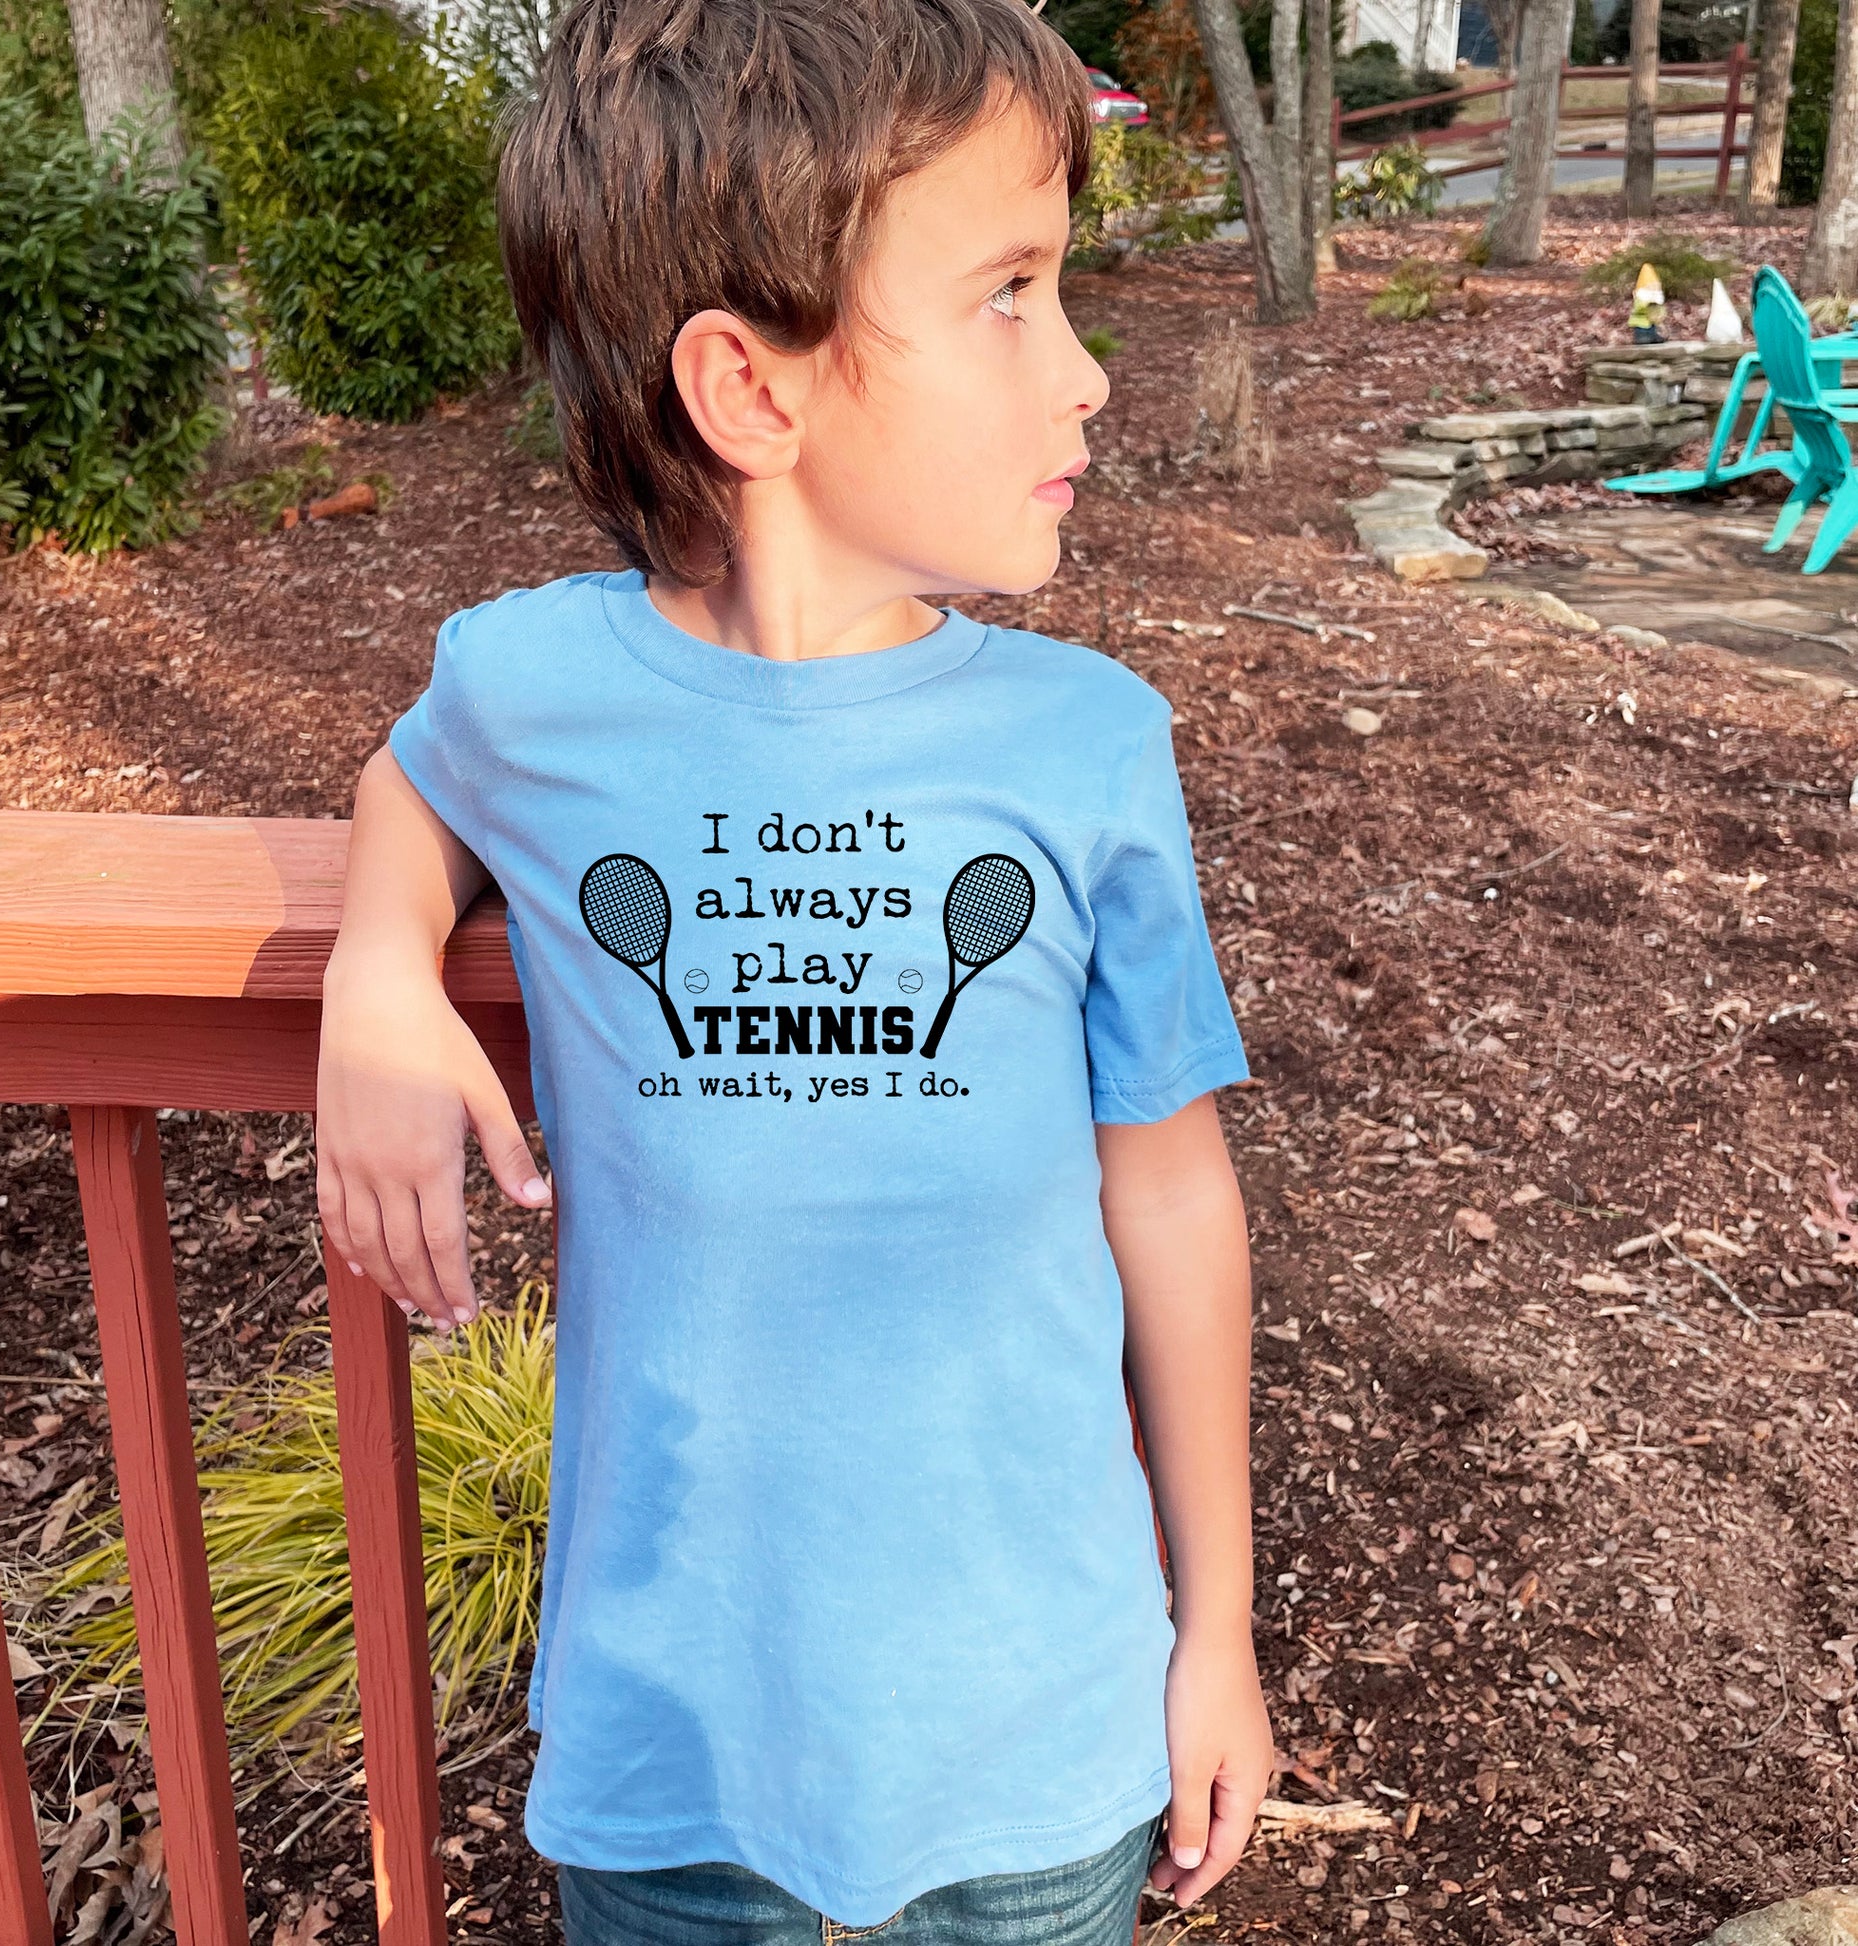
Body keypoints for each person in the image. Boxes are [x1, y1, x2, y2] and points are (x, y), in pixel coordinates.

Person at [314, 2, 1273, 1941]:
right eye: (1010, 294)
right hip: (674, 1756)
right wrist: (377, 981)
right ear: (751, 389)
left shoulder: (1090, 744)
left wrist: (1218, 1630)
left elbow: (1168, 1189)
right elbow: (411, 777)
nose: (1088, 373)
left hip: (1035, 1752)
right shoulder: (542, 687)